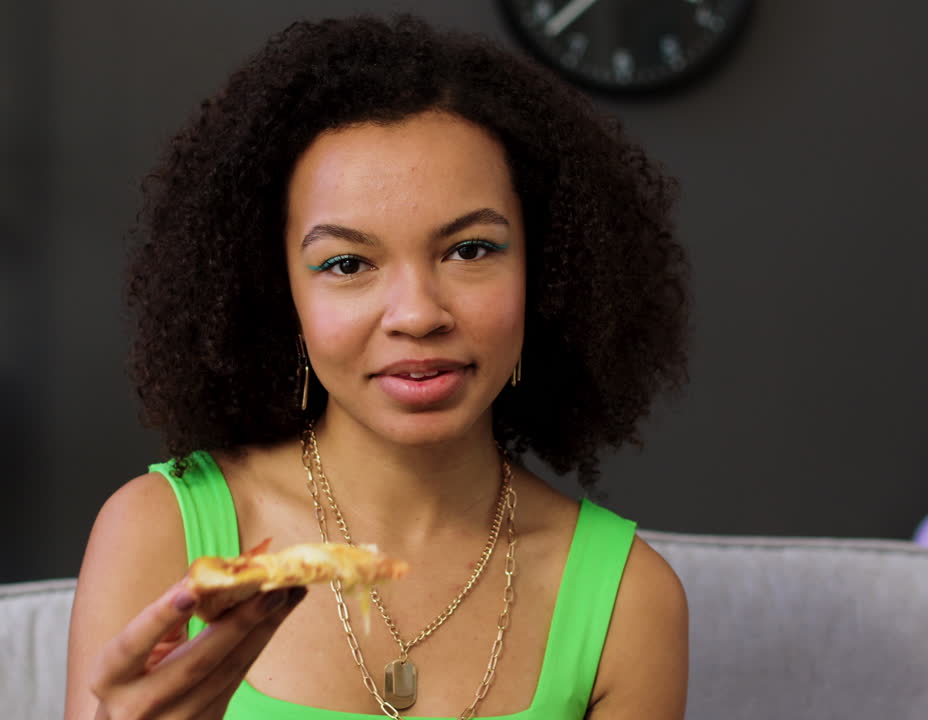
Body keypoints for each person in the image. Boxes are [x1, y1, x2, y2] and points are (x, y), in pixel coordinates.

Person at [64, 13, 690, 720]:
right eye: (347, 263)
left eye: (471, 250)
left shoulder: (627, 599)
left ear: (545, 272)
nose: (417, 313)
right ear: (281, 293)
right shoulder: (158, 535)